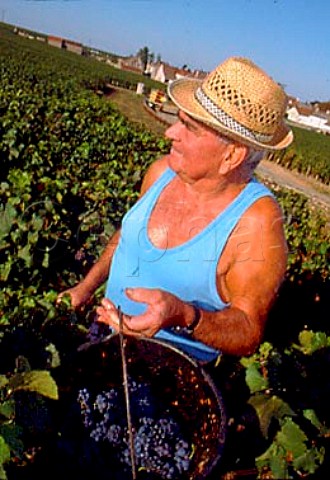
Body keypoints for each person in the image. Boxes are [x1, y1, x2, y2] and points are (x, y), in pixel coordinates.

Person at [58, 56, 293, 363]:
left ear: (231, 156)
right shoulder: (160, 173)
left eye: (188, 127)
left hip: (168, 372)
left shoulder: (256, 222)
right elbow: (127, 236)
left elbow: (248, 330)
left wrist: (186, 315)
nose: (170, 133)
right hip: (103, 334)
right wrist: (86, 287)